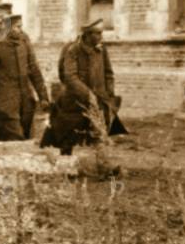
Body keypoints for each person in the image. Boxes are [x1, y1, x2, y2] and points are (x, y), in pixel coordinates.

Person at [44, 19, 126, 154]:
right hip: (76, 101)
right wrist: (87, 94)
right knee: (68, 135)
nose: (101, 36)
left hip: (99, 99)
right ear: (87, 35)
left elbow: (108, 73)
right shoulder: (73, 50)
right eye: (97, 33)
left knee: (99, 134)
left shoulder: (101, 49)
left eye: (101, 33)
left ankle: (101, 165)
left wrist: (109, 93)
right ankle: (67, 166)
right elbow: (69, 76)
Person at [0, 14, 49, 141]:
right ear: (8, 28)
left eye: (21, 27)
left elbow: (35, 72)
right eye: (17, 27)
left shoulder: (24, 46)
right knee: (14, 138)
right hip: (5, 105)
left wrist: (43, 97)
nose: (20, 30)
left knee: (25, 141)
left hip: (26, 103)